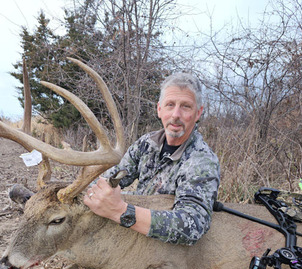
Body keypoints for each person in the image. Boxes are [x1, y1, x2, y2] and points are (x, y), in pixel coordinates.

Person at [83, 73, 220, 246]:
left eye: (186, 106)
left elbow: (192, 225)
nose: (175, 114)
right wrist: (85, 190)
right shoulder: (147, 143)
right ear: (159, 109)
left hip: (166, 251)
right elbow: (114, 178)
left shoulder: (202, 160)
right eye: (170, 105)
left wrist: (120, 211)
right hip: (136, 232)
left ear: (198, 112)